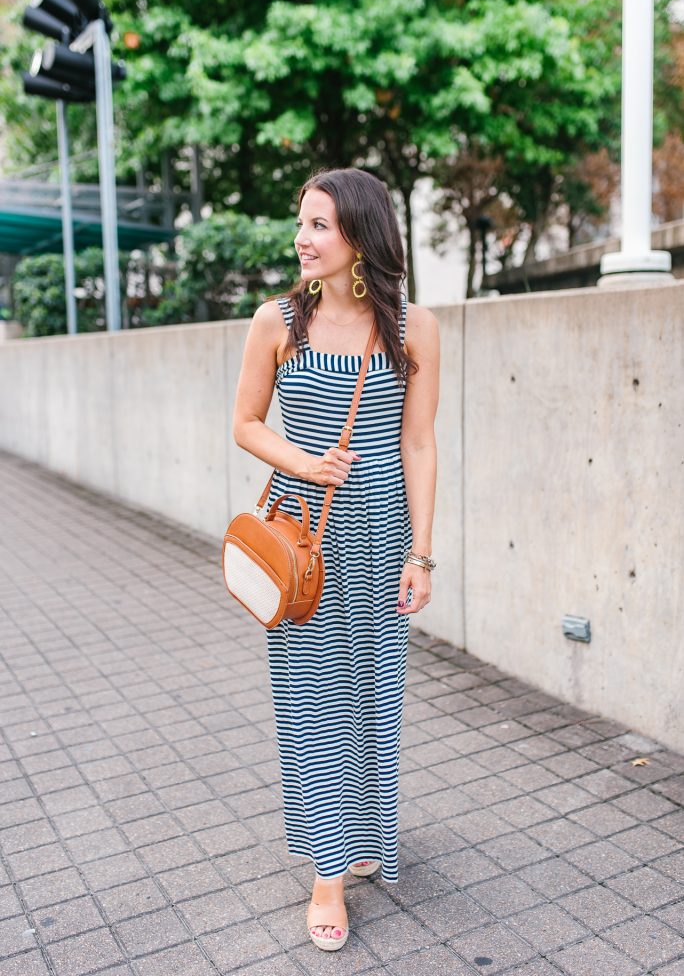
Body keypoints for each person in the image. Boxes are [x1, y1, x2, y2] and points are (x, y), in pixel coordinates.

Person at [232, 166, 439, 951]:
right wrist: (304, 459)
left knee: (373, 697)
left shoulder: (414, 327)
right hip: (305, 544)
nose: (302, 238)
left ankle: (362, 839)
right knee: (315, 703)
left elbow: (417, 442)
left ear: (360, 234)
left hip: (384, 538)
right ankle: (326, 873)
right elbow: (246, 423)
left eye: (319, 224)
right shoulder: (278, 320)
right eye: (301, 223)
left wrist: (422, 553)